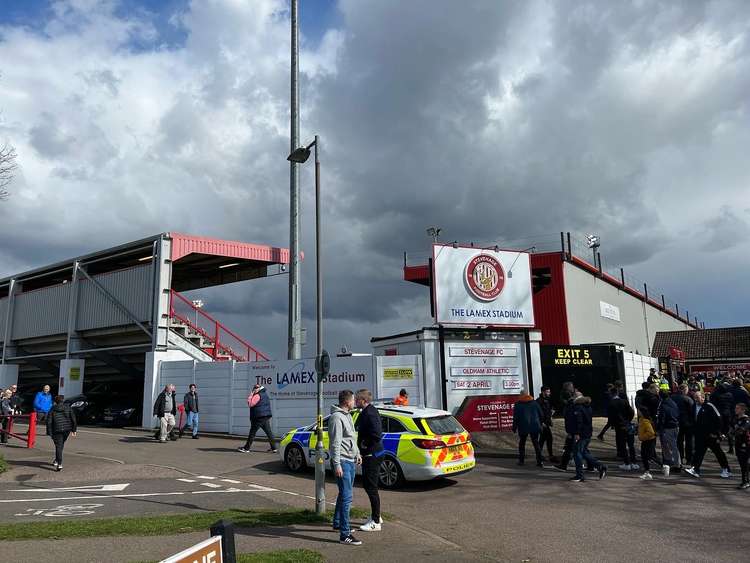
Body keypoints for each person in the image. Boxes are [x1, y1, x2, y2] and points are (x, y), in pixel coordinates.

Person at [330, 389, 362, 546]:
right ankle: (345, 534)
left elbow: (351, 438)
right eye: (353, 400)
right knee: (347, 497)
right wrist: (336, 464)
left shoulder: (348, 416)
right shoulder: (337, 418)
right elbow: (335, 442)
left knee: (343, 495)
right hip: (342, 461)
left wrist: (357, 453)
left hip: (350, 459)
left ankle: (337, 523)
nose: (354, 402)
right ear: (347, 401)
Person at [354, 389, 384, 532]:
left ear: (363, 401)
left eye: (357, 400)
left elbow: (377, 433)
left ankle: (376, 522)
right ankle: (376, 514)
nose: (355, 402)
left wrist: (365, 443)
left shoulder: (370, 413)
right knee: (369, 486)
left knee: (371, 487)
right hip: (372, 454)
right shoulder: (368, 411)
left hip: (372, 455)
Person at [685, 392, 731, 479]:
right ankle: (695, 469)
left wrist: (718, 433)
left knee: (718, 452)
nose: (695, 399)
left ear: (703, 398)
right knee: (699, 452)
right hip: (700, 434)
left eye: (697, 397)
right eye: (694, 397)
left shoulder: (710, 406)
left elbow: (719, 418)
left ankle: (726, 469)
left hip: (711, 435)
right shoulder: (694, 406)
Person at [569, 394, 607, 482]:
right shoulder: (588, 407)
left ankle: (579, 475)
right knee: (584, 452)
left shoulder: (578, 408)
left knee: (577, 453)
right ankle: (600, 466)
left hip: (581, 433)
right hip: (587, 433)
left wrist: (577, 433)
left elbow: (579, 421)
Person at [239, 384, 278, 453]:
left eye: (255, 388)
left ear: (258, 389)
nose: (254, 390)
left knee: (252, 433)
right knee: (269, 433)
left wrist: (251, 394)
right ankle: (274, 448)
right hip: (265, 417)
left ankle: (246, 448)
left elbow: (250, 404)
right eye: (254, 388)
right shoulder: (265, 394)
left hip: (258, 417)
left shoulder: (257, 395)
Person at [607, 387, 637, 470]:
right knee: (631, 445)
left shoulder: (611, 403)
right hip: (627, 424)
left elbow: (610, 416)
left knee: (622, 445)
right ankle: (634, 462)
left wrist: (613, 424)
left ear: (611, 394)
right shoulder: (624, 401)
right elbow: (631, 412)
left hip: (619, 426)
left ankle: (626, 463)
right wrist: (628, 420)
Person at [512, 391, 544, 467]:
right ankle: (540, 461)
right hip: (535, 426)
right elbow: (541, 414)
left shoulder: (518, 404)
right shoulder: (535, 403)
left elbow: (516, 417)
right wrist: (541, 423)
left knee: (522, 443)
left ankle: (521, 460)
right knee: (536, 443)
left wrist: (514, 427)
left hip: (523, 426)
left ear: (521, 395)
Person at [46, 395, 77, 471]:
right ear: (62, 401)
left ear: (55, 402)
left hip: (56, 430)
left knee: (58, 446)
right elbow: (73, 419)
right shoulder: (68, 408)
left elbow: (49, 422)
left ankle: (59, 463)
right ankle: (57, 460)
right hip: (66, 429)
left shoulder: (52, 409)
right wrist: (74, 430)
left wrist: (49, 432)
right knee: (61, 445)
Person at [552, 381, 576, 472]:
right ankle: (563, 465)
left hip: (573, 430)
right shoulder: (570, 401)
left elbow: (574, 419)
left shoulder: (571, 404)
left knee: (578, 448)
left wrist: (571, 431)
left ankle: (597, 465)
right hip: (573, 430)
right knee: (569, 447)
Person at [656, 389, 680, 476]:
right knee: (675, 446)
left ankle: (673, 464)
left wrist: (659, 428)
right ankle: (677, 463)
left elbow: (662, 418)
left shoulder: (663, 405)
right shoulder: (673, 403)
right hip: (676, 425)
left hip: (668, 427)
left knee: (669, 446)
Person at [672, 384, 695, 466]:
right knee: (689, 442)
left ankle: (680, 458)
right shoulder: (688, 399)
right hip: (687, 423)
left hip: (676, 422)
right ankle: (689, 459)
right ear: (685, 390)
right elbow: (693, 411)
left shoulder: (672, 398)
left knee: (679, 441)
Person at [710, 383, 734, 453]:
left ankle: (717, 447)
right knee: (728, 430)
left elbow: (712, 404)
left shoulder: (715, 395)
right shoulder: (729, 395)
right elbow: (732, 404)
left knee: (718, 430)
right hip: (728, 414)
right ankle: (731, 447)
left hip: (718, 414)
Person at [638, 407, 660, 480]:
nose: (638, 412)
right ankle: (647, 471)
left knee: (647, 456)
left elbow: (651, 432)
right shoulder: (641, 420)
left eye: (639, 411)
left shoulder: (645, 421)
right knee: (647, 456)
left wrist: (642, 437)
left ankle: (648, 472)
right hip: (647, 440)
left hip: (648, 440)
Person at [537, 386, 557, 463]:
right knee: (547, 439)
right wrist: (541, 422)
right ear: (543, 392)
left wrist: (551, 413)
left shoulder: (547, 400)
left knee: (543, 440)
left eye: (549, 391)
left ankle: (540, 456)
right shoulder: (539, 401)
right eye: (548, 392)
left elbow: (547, 411)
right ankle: (548, 456)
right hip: (543, 424)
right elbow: (538, 413)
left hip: (546, 423)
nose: (549, 393)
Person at [734, 402, 750, 489]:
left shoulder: (746, 420)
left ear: (743, 410)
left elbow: (742, 430)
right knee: (742, 463)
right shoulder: (736, 419)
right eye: (735, 408)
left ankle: (746, 481)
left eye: (738, 408)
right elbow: (733, 429)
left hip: (745, 444)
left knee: (744, 463)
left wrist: (735, 432)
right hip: (738, 444)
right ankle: (745, 480)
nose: (735, 409)